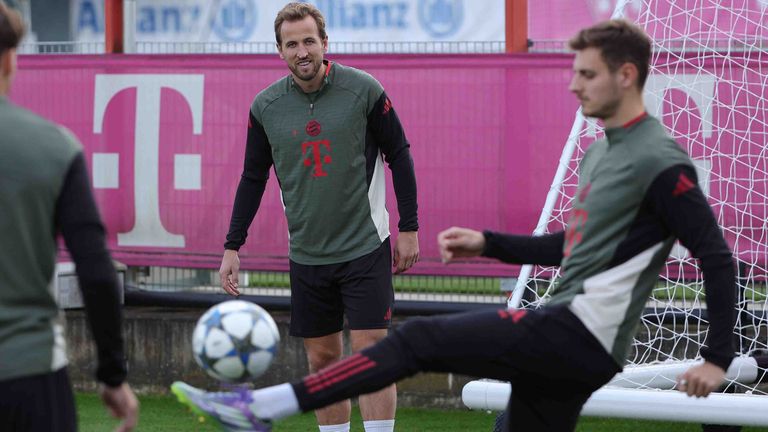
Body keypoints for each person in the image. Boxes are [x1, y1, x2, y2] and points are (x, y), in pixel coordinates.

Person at [173, 19, 735, 432]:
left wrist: (714, 357)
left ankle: (263, 408)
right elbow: (572, 246)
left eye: (586, 74)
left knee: (417, 339)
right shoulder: (604, 152)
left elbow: (715, 256)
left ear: (626, 75)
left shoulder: (661, 161)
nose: (574, 85)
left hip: (580, 335)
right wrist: (487, 243)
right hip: (567, 332)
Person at [216, 3, 419, 432]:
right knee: (323, 361)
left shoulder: (363, 90)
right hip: (307, 255)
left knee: (371, 358)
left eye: (309, 41)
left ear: (325, 44)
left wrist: (409, 228)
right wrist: (232, 246)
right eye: (292, 44)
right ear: (280, 51)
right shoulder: (265, 106)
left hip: (366, 246)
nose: (302, 51)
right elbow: (253, 177)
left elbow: (398, 154)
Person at [0, 4, 139, 432]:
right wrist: (113, 375)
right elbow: (96, 271)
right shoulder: (54, 147)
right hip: (30, 373)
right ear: (10, 58)